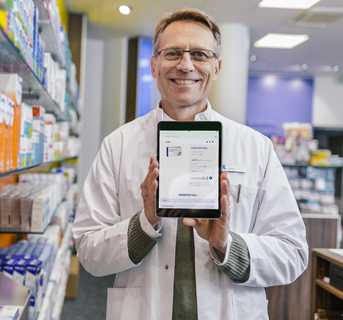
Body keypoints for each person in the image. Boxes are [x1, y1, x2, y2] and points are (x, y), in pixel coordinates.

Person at [72, 8, 308, 320]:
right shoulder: (118, 145)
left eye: (199, 54)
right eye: (172, 53)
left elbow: (293, 253)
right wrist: (145, 223)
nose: (185, 65)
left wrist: (227, 244)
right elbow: (88, 249)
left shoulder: (255, 148)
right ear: (155, 64)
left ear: (217, 66)